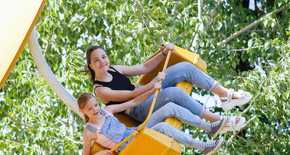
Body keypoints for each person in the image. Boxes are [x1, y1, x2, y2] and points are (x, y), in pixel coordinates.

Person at [85, 43, 252, 134]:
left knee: (184, 67)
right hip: (138, 109)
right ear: (91, 66)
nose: (102, 62)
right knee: (174, 93)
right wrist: (153, 85)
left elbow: (143, 68)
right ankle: (217, 121)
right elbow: (132, 95)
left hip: (147, 91)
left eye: (103, 57)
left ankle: (225, 95)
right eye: (96, 60)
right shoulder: (100, 90)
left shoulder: (114, 68)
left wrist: (164, 53)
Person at [78, 82, 245, 155]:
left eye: (95, 105)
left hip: (135, 133)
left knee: (170, 107)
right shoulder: (89, 131)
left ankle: (209, 128)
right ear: (83, 112)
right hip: (128, 146)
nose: (95, 110)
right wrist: (100, 154)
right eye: (90, 109)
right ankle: (203, 147)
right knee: (164, 127)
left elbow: (132, 103)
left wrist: (153, 89)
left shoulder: (107, 110)